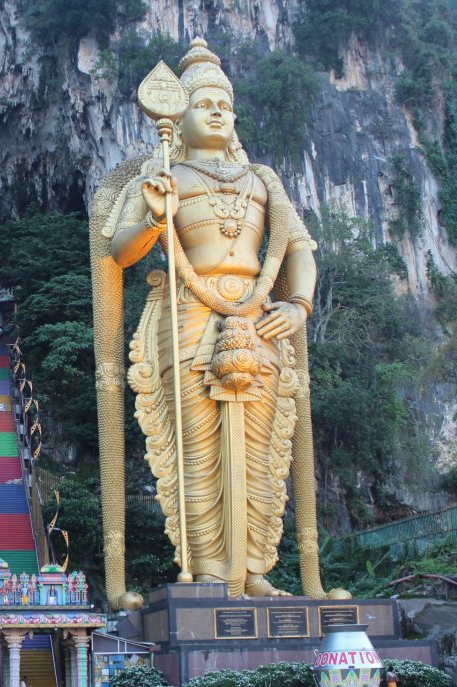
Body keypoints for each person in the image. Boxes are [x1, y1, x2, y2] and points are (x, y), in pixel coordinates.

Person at [96, 37, 327, 600]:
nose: (219, 112)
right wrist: (155, 217)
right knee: (196, 451)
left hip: (258, 318)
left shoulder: (263, 180)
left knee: (262, 446)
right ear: (180, 114)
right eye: (205, 104)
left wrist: (297, 304)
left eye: (225, 104)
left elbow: (299, 248)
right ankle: (206, 572)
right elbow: (119, 252)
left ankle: (252, 569)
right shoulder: (164, 176)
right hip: (187, 314)